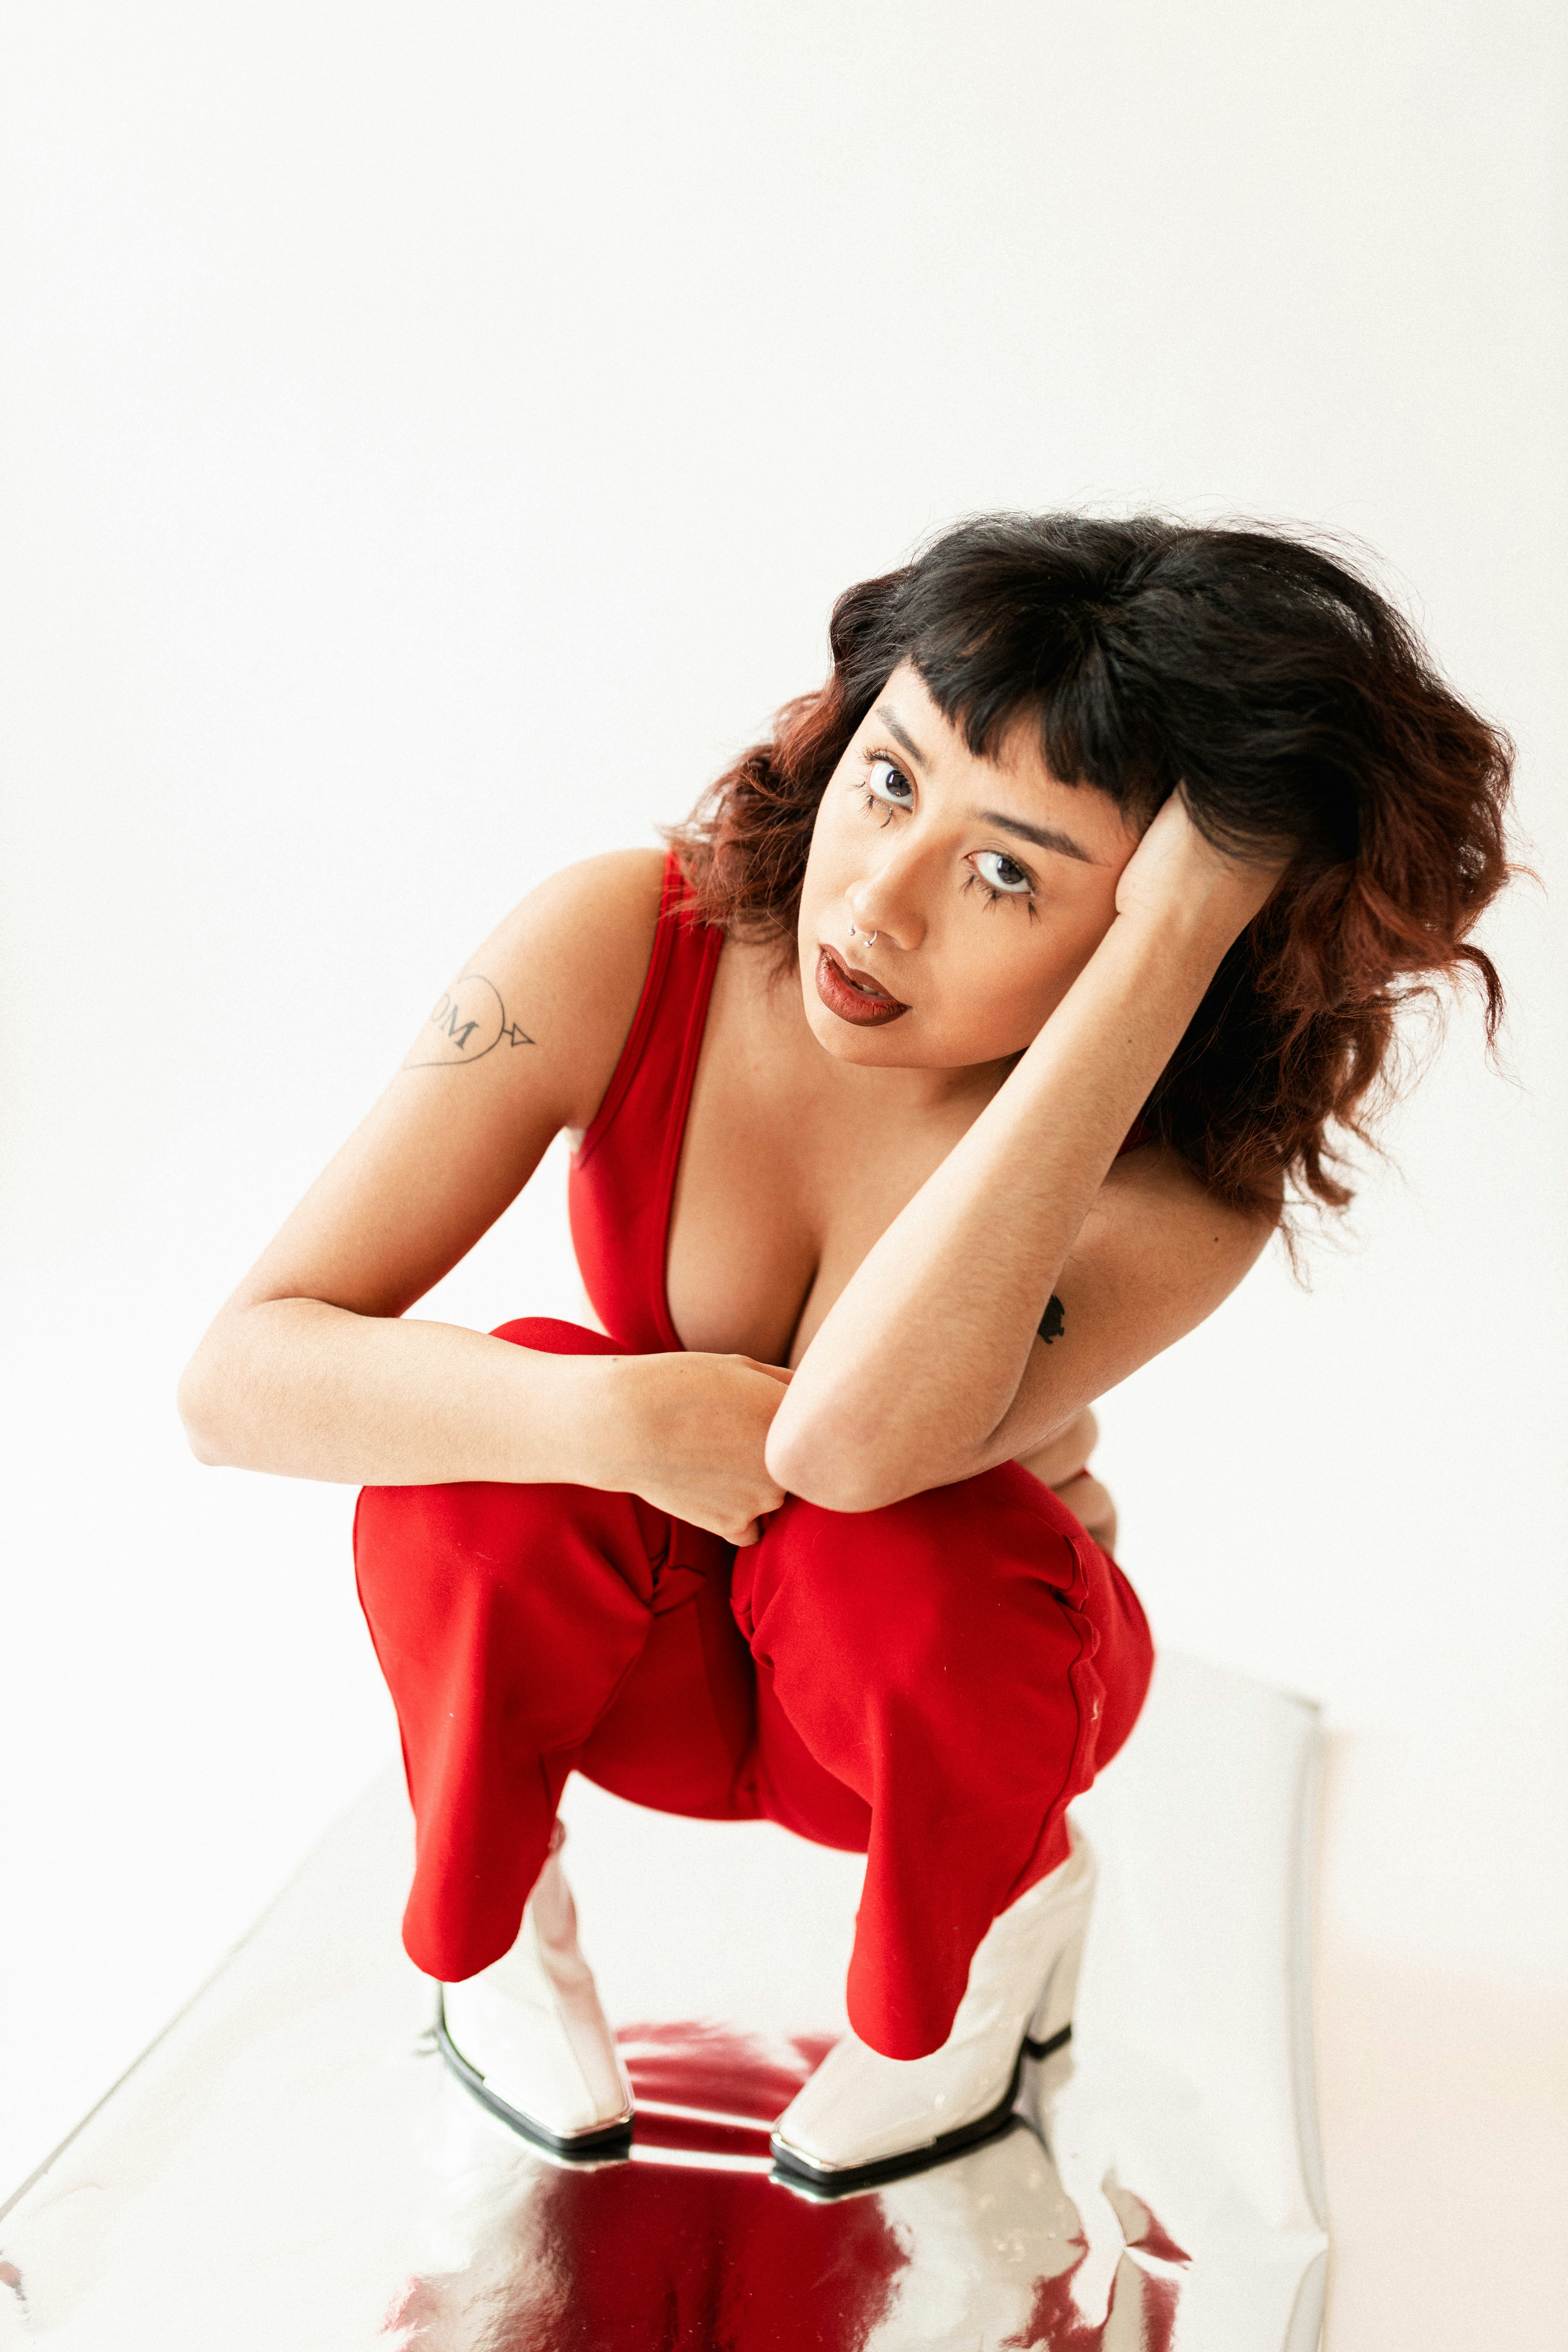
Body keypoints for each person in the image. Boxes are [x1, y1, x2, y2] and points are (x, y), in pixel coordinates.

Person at [178, 514, 1512, 2192]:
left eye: (1008, 873)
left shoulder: (1187, 1176)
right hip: (648, 1659)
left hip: (916, 1736)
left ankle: (991, 1934)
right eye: (889, 783)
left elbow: (843, 1456)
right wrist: (616, 1418)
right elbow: (236, 1384)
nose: (875, 902)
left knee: (899, 1547)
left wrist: (1164, 957)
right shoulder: (625, 938)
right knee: (488, 1459)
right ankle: (489, 1931)